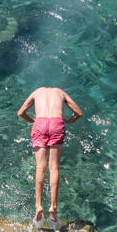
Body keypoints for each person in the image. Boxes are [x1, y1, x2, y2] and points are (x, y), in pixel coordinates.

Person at [16, 87, 84, 224]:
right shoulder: (61, 92)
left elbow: (20, 113)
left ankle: (38, 205)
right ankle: (53, 206)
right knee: (54, 168)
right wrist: (69, 121)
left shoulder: (36, 92)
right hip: (57, 123)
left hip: (39, 123)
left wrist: (33, 120)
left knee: (40, 167)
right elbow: (78, 113)